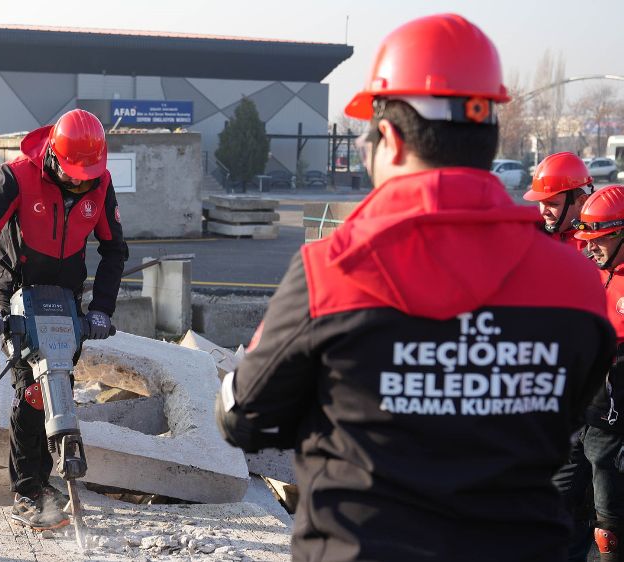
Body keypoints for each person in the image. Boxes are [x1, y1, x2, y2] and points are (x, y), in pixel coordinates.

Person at [214, 13, 617, 562]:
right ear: (488, 132)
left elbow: (243, 415)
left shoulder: (333, 271)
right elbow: (572, 411)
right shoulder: (575, 283)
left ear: (389, 137)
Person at [0, 108, 127, 530]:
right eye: (73, 174)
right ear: (53, 155)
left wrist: (101, 309)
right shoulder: (15, 177)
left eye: (88, 176)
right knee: (32, 389)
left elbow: (114, 250)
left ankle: (45, 479)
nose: (80, 182)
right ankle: (27, 490)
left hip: (66, 295)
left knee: (61, 383)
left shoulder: (100, 185)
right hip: (16, 288)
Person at [561, 184, 624, 561]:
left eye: (597, 239)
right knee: (554, 506)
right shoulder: (589, 272)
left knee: (608, 531)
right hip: (577, 419)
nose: (588, 247)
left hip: (612, 433)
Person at [523, 151, 594, 251]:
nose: (544, 212)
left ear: (582, 201)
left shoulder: (599, 244)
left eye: (553, 204)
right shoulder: (531, 233)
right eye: (541, 202)